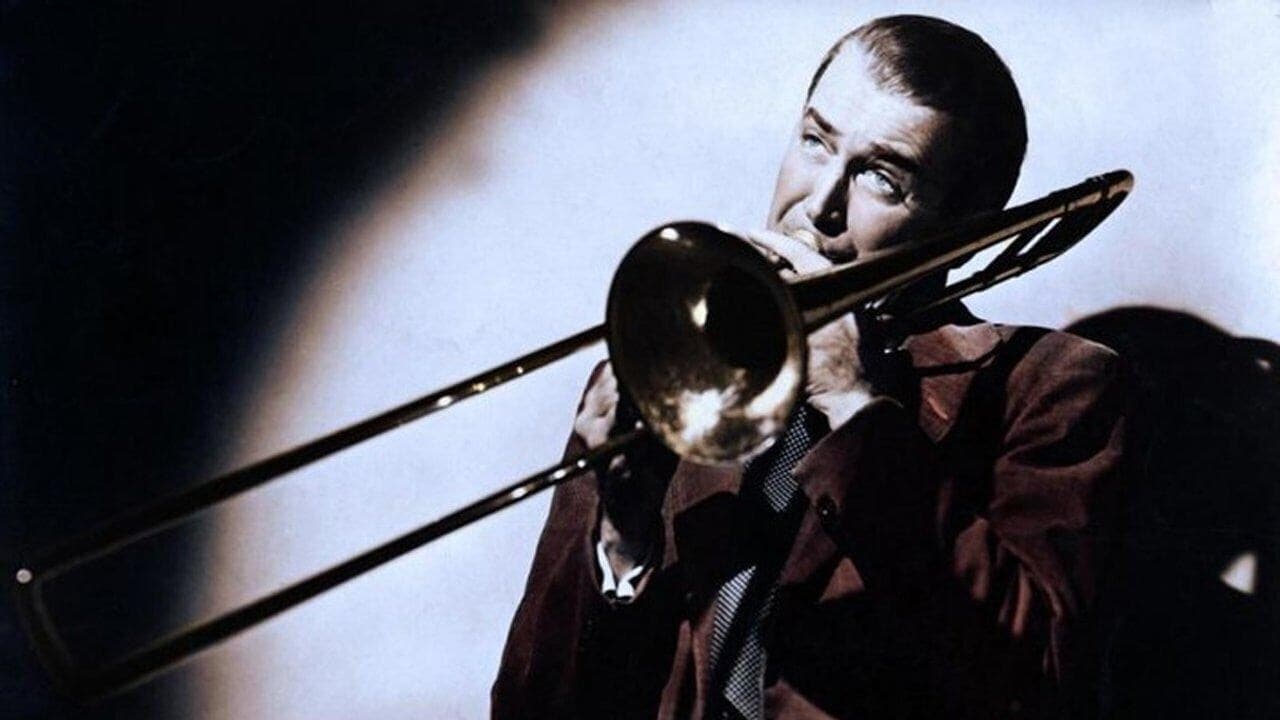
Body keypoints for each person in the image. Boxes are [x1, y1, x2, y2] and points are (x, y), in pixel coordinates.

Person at [493, 15, 1124, 719]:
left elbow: (1038, 682)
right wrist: (621, 543)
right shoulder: (676, 362)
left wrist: (855, 410)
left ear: (964, 231)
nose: (819, 205)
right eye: (815, 142)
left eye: (882, 177)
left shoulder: (1049, 386)